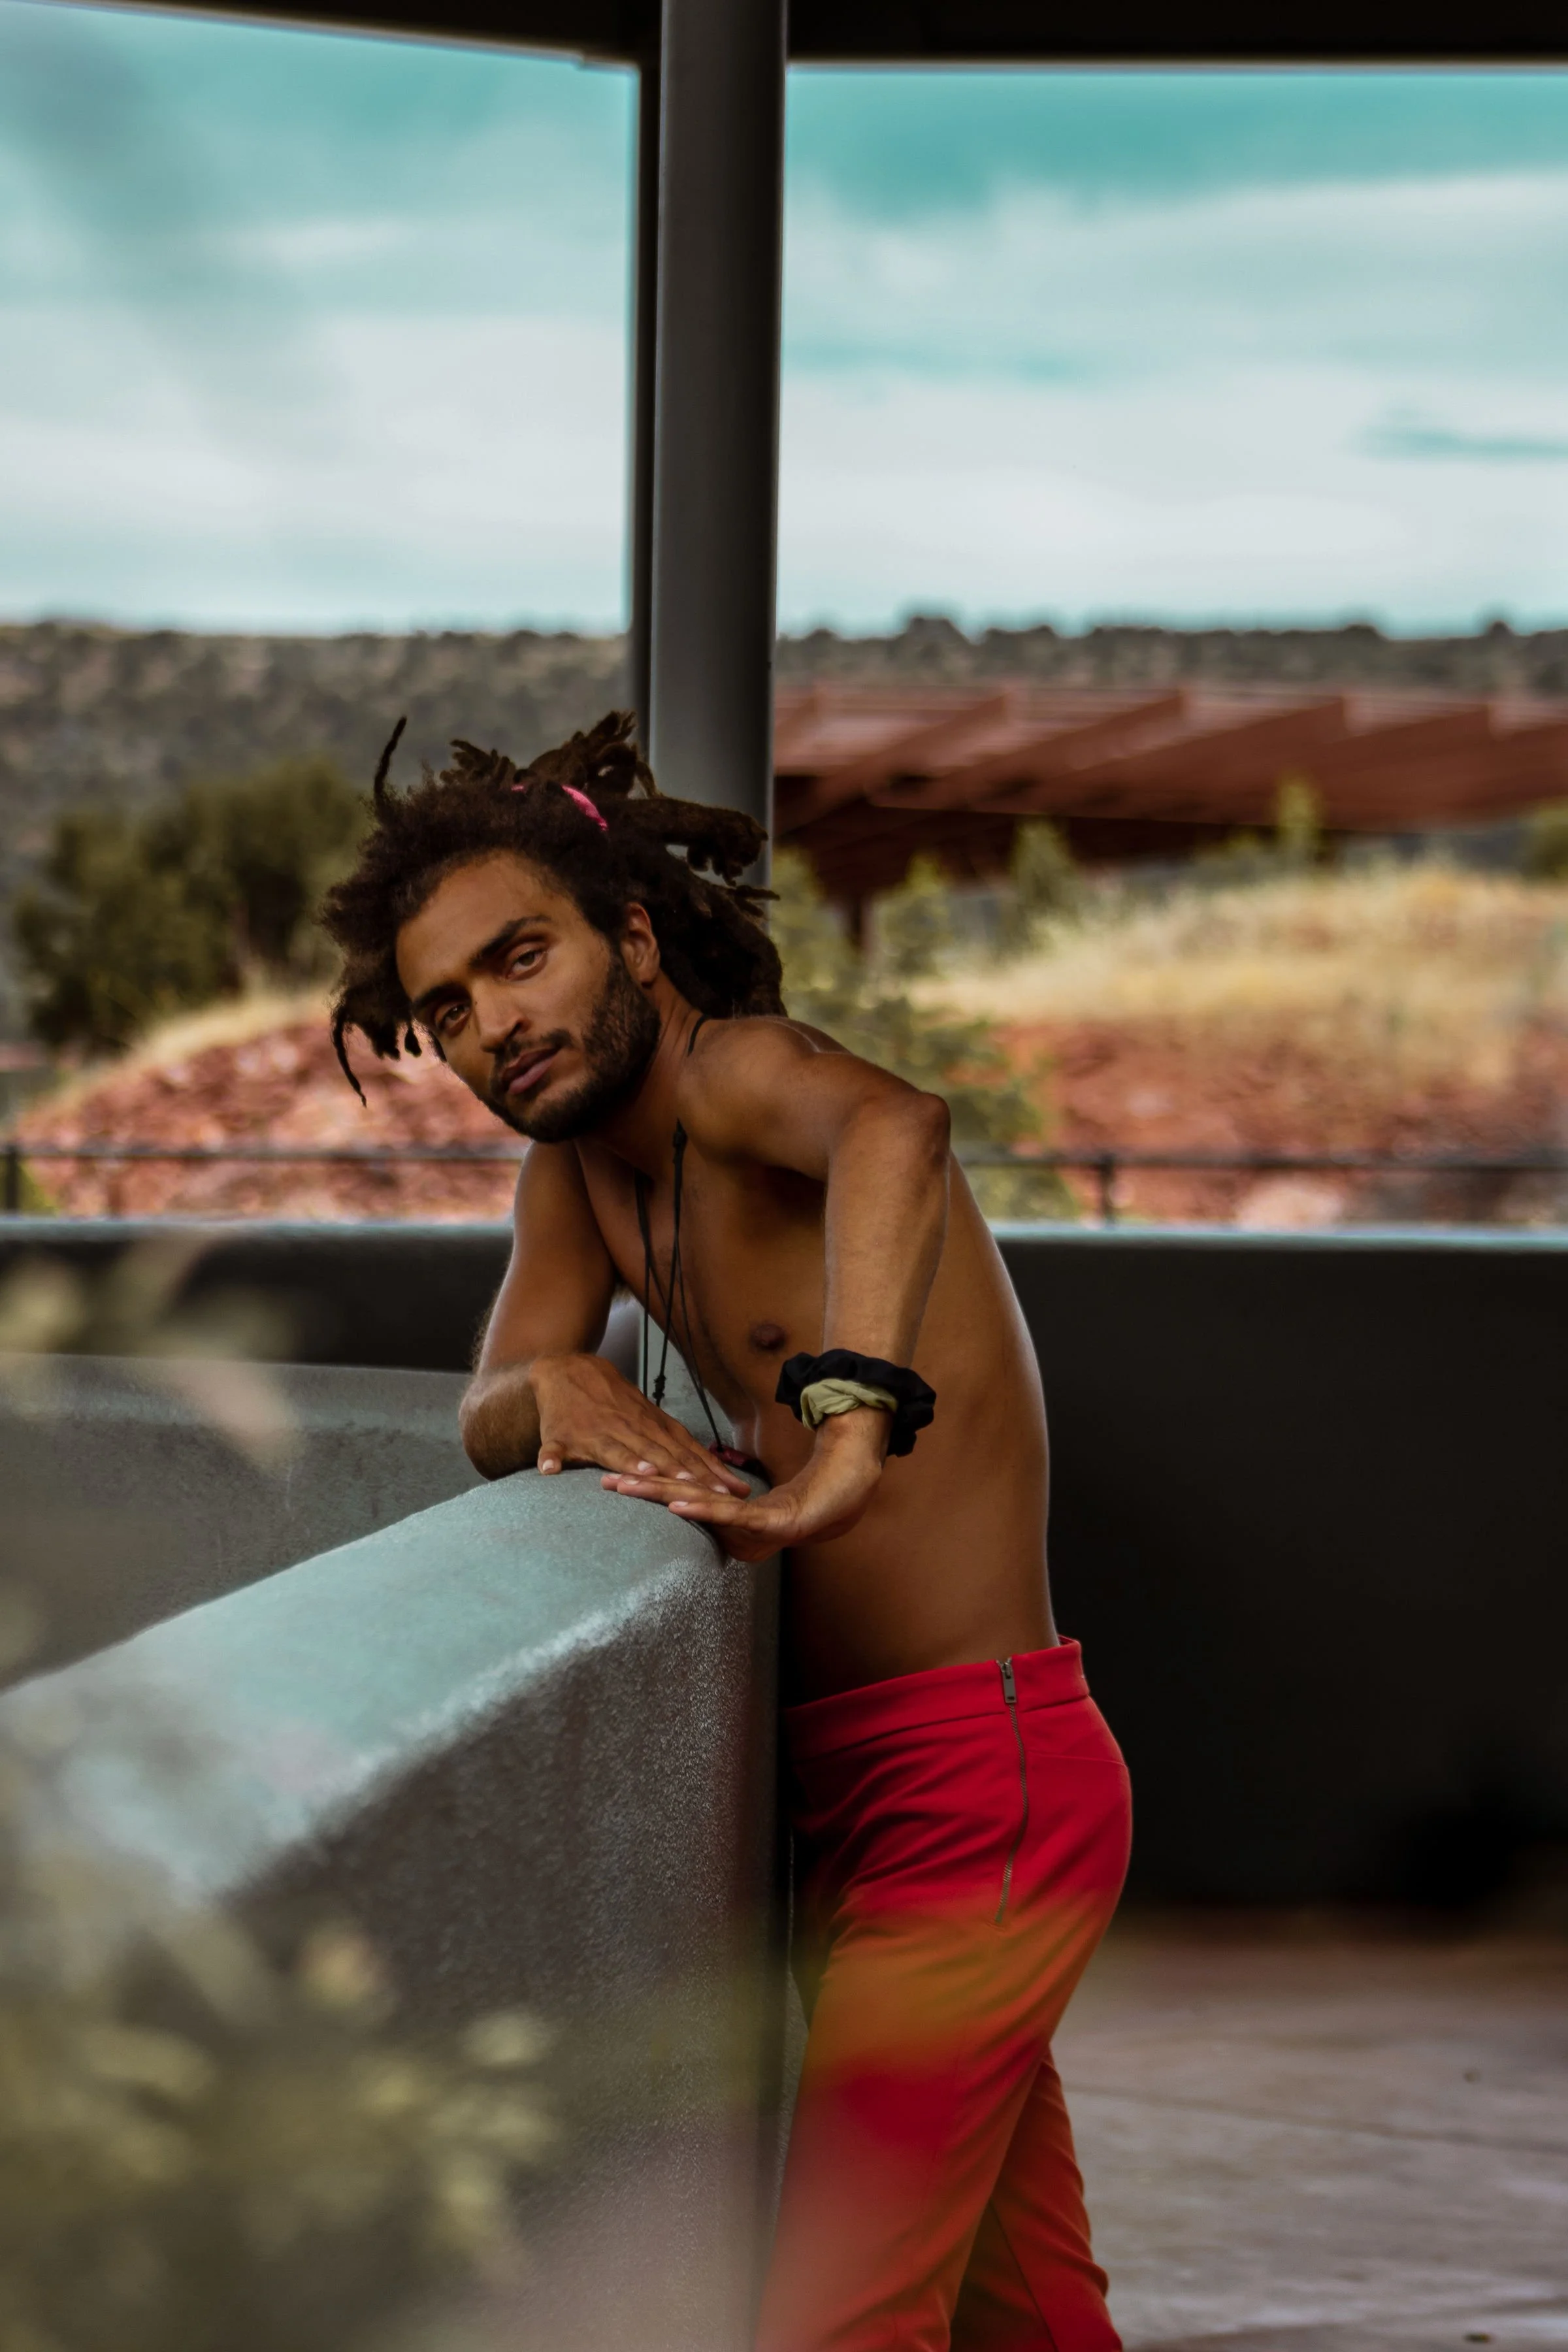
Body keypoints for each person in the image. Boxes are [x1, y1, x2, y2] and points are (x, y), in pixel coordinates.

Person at [323, 711, 1132, 2352]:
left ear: (629, 933)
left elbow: (900, 1129)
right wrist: (552, 1383)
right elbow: (484, 1404)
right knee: (1018, 2309)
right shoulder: (581, 1185)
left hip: (980, 1785)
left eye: (521, 958)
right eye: (448, 1011)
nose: (495, 1027)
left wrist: (846, 1434)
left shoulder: (735, 1071)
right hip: (844, 1802)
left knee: (836, 2321)